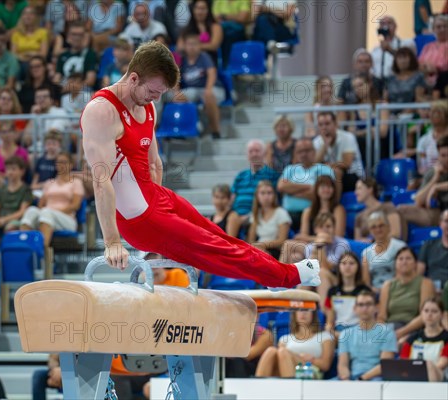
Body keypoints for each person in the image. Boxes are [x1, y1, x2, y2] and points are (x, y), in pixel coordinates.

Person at [80, 41, 320, 289]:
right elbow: (101, 181)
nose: (156, 98)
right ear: (133, 78)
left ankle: (271, 276)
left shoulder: (148, 104)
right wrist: (112, 242)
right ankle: (287, 276)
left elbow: (155, 164)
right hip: (137, 218)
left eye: (161, 93)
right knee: (210, 249)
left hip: (155, 199)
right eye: (153, 91)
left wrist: (159, 211)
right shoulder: (102, 112)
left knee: (219, 236)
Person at [21, 152, 84, 247]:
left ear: (71, 165)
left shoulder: (76, 182)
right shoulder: (49, 183)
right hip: (46, 215)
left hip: (67, 218)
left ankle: (42, 252)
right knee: (31, 211)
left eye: (64, 162)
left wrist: (53, 212)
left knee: (47, 212)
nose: (61, 165)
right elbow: (41, 204)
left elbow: (75, 205)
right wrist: (47, 212)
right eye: (58, 162)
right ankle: (25, 248)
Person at [277, 138, 336, 231]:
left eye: (307, 150)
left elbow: (323, 195)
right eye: (300, 151)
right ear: (296, 154)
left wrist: (290, 192)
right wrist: (310, 187)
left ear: (314, 151)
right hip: (288, 215)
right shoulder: (289, 169)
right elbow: (281, 186)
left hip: (315, 215)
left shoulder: (325, 169)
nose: (304, 154)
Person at [255, 310, 334, 378]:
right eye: (300, 310)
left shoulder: (325, 336)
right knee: (271, 351)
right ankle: (256, 391)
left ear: (313, 313)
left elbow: (326, 365)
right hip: (284, 369)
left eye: (307, 310)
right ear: (294, 314)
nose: (303, 313)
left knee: (283, 352)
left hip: (311, 371)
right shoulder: (284, 339)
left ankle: (291, 391)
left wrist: (312, 360)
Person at [378, 247, 435, 341]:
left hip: (412, 328)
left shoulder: (425, 283)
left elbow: (424, 316)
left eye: (408, 258)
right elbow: (381, 317)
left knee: (399, 343)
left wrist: (400, 333)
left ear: (415, 263)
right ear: (395, 263)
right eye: (400, 259)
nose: (404, 262)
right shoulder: (387, 285)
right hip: (390, 327)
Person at [337, 290, 397, 381]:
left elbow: (385, 365)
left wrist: (361, 379)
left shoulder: (387, 333)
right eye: (361, 305)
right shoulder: (346, 334)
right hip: (352, 378)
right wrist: (346, 380)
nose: (364, 308)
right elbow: (342, 364)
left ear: (377, 307)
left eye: (368, 304)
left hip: (376, 378)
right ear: (355, 308)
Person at [175, 30, 224, 139]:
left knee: (209, 96)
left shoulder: (204, 56)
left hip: (211, 88)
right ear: (185, 46)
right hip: (192, 90)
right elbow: (175, 77)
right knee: (175, 97)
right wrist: (177, 92)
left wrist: (208, 89)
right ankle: (185, 128)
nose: (192, 47)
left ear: (199, 45)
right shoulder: (182, 59)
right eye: (189, 44)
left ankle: (215, 130)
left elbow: (212, 73)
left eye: (195, 44)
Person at [399, 135, 448, 229]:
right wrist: (435, 178)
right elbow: (418, 201)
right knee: (400, 210)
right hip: (438, 213)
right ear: (438, 155)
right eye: (443, 155)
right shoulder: (433, 173)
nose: (446, 159)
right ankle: (399, 243)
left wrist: (437, 187)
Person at [303, 213, 350, 305]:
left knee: (322, 273)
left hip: (337, 280)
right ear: (315, 230)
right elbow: (309, 268)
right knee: (304, 275)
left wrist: (321, 247)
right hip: (315, 282)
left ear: (334, 228)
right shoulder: (309, 247)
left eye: (328, 226)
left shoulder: (342, 244)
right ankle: (298, 312)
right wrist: (316, 249)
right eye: (321, 226)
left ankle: (324, 312)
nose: (325, 230)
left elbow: (327, 268)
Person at [314, 111, 365, 193]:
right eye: (321, 125)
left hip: (352, 175)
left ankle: (334, 204)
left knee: (337, 172)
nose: (324, 127)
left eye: (327, 124)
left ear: (335, 124)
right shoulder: (317, 141)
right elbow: (314, 164)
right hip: (328, 176)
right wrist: (325, 145)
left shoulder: (348, 137)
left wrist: (326, 165)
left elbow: (346, 164)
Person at [400, 298, 448, 382]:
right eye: (426, 311)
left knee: (429, 364)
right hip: (413, 376)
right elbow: (404, 362)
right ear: (421, 314)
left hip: (441, 379)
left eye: (434, 311)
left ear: (442, 314)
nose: (429, 314)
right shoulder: (412, 338)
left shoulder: (446, 337)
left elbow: (442, 364)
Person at [231, 139, 279, 220]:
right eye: (251, 151)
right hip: (236, 215)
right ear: (247, 155)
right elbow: (232, 198)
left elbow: (274, 200)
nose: (254, 154)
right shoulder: (241, 175)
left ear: (264, 154)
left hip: (258, 215)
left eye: (257, 151)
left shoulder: (272, 175)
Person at [324, 252, 371, 334]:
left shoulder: (365, 291)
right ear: (339, 267)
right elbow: (329, 323)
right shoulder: (332, 292)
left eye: (352, 263)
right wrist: (332, 332)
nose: (347, 266)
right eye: (344, 263)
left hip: (359, 331)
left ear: (358, 267)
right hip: (338, 332)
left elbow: (369, 319)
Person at [361, 211, 407, 293]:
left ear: (388, 227)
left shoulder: (400, 247)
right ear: (370, 231)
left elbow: (404, 274)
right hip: (374, 292)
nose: (378, 229)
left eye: (381, 225)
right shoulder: (366, 253)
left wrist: (386, 290)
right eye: (373, 227)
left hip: (397, 290)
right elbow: (366, 281)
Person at [247, 180, 292, 259]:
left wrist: (262, 244)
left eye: (269, 193)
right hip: (259, 248)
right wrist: (258, 246)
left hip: (276, 250)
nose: (266, 196)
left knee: (257, 252)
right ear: (257, 196)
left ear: (274, 195)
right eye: (262, 193)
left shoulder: (281, 213)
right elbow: (251, 239)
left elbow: (282, 241)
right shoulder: (255, 214)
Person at [0, 156, 34, 235]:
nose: (10, 172)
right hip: (0, 219)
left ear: (22, 171)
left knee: (11, 227)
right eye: (8, 169)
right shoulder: (0, 189)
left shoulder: (26, 190)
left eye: (13, 169)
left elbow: (22, 211)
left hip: (16, 220)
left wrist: (4, 220)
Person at [353, 177, 401, 242]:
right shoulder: (359, 216)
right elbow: (357, 241)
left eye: (359, 188)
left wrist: (374, 242)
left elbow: (396, 233)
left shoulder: (387, 207)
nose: (355, 192)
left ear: (370, 189)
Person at [371, 15, 416, 81]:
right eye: (382, 24)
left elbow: (411, 61)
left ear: (395, 26)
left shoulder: (407, 43)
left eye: (389, 23)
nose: (386, 26)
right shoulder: (375, 50)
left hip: (400, 82)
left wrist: (390, 50)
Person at [11, 6, 49, 77]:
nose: (27, 16)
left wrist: (32, 55)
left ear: (36, 17)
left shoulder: (43, 32)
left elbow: (44, 54)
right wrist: (23, 57)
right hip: (20, 62)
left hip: (37, 62)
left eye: (31, 14)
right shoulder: (16, 34)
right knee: (17, 66)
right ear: (21, 17)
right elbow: (13, 54)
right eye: (25, 14)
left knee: (30, 66)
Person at [418, 209, 448, 291]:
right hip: (432, 291)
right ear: (440, 224)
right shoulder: (429, 245)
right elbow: (418, 273)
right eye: (446, 221)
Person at [416, 101, 448, 177]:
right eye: (433, 112)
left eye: (438, 112)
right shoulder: (424, 140)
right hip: (430, 174)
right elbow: (421, 164)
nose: (435, 115)